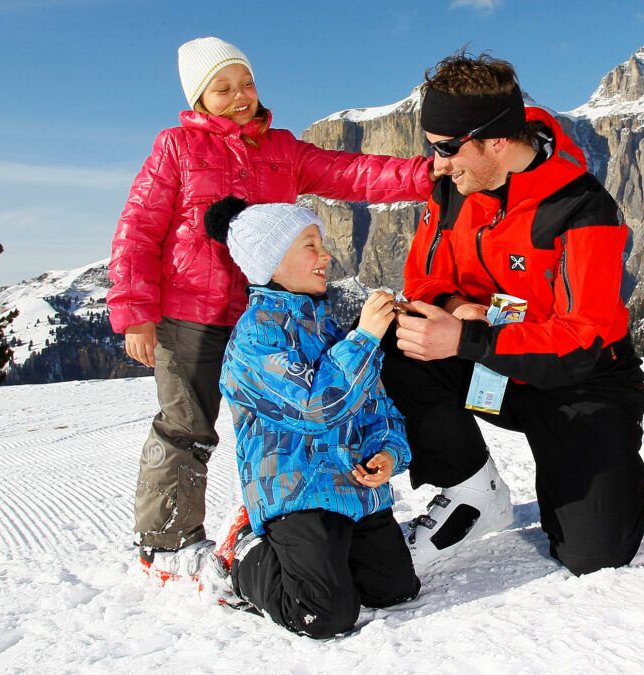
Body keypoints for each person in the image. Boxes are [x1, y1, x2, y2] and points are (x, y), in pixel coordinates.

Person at [106, 36, 435, 581]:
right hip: (193, 314)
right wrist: (134, 310)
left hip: (266, 315)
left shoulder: (283, 148)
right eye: (223, 88)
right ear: (199, 98)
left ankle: (268, 518)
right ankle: (165, 541)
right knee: (186, 425)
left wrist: (423, 178)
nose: (239, 96)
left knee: (271, 425)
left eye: (246, 83)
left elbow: (351, 173)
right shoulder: (177, 148)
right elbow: (138, 228)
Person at [379, 51, 644, 576]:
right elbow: (424, 280)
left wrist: (465, 340)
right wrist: (458, 310)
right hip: (494, 363)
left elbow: (582, 337)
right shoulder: (455, 190)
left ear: (496, 140)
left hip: (579, 379)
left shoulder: (579, 206)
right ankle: (473, 493)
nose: (436, 164)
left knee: (595, 553)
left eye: (447, 149)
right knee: (394, 338)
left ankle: (594, 458)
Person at [196, 198, 419, 638]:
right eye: (310, 245)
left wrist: (390, 454)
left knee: (394, 590)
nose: (326, 256)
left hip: (353, 487)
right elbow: (316, 409)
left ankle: (328, 559)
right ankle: (242, 556)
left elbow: (377, 406)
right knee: (322, 614)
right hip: (297, 492)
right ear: (271, 265)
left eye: (322, 243)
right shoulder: (257, 336)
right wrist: (367, 337)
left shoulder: (328, 327)